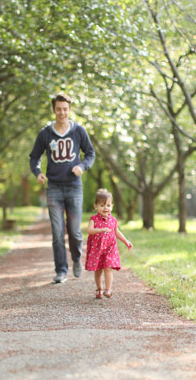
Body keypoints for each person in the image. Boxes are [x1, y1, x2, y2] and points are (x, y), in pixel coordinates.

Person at [29, 92, 95, 283]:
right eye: (58, 109)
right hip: (54, 188)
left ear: (69, 110)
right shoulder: (46, 133)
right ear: (54, 110)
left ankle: (76, 258)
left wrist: (82, 166)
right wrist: (37, 172)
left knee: (74, 231)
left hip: (74, 187)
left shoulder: (78, 131)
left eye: (65, 109)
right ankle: (61, 270)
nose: (62, 113)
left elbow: (90, 153)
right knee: (57, 232)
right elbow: (34, 156)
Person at [85, 188, 133, 299]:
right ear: (95, 206)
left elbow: (117, 231)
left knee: (108, 267)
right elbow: (89, 230)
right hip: (97, 248)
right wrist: (100, 230)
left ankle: (108, 289)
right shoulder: (94, 219)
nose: (105, 208)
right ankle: (99, 289)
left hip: (109, 248)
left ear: (112, 206)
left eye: (108, 205)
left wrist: (126, 241)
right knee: (98, 270)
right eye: (102, 205)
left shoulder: (113, 220)